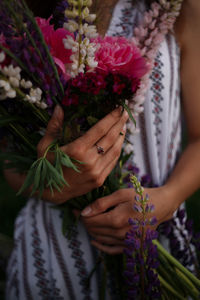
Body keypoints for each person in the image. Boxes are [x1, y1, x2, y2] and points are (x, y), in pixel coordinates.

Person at [4, 0, 200, 299]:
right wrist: (48, 180)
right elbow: (10, 164)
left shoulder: (181, 7)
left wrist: (168, 199)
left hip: (158, 239)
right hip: (55, 259)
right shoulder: (23, 15)